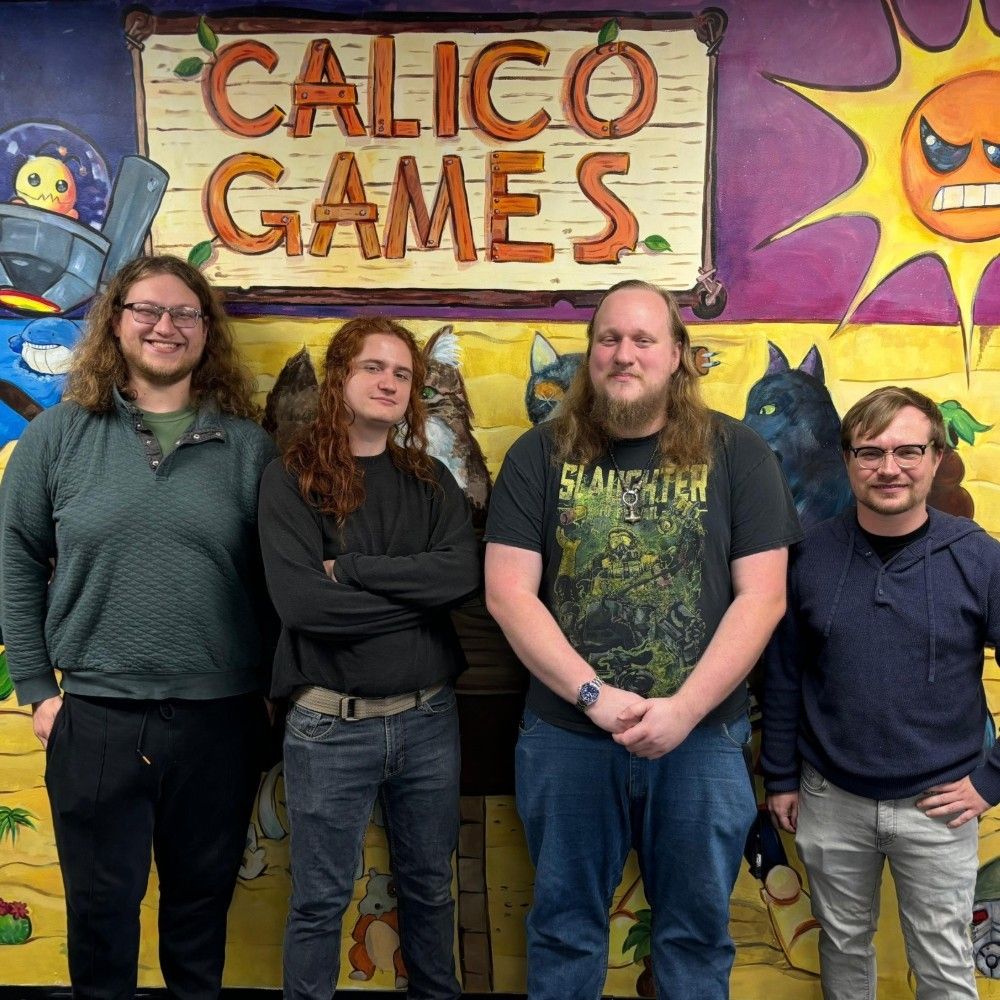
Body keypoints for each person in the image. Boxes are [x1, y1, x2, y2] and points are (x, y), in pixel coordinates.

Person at [483, 279, 801, 999]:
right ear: (591, 353)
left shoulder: (740, 453)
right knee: (564, 931)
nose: (623, 355)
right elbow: (508, 592)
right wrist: (593, 696)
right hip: (567, 735)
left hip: (701, 739)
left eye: (643, 340)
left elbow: (764, 596)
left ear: (679, 356)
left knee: (693, 937)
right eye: (608, 339)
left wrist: (684, 710)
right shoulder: (539, 455)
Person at [0, 255, 276, 999]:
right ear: (115, 324)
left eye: (185, 313)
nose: (165, 326)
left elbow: (278, 582)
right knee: (99, 920)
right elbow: (17, 560)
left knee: (199, 918)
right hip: (95, 719)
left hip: (220, 720)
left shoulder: (247, 449)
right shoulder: (57, 438)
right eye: (146, 310)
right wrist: (36, 688)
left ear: (206, 333)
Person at [257, 316, 479, 1000]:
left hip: (428, 721)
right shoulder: (290, 480)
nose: (389, 382)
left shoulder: (434, 481)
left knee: (431, 892)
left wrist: (349, 568)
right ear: (339, 379)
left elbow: (461, 578)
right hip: (329, 727)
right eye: (373, 368)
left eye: (402, 374)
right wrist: (417, 600)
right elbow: (305, 609)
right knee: (321, 902)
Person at [762, 385, 1000, 999]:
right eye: (870, 452)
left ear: (936, 458)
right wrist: (781, 777)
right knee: (842, 951)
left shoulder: (978, 558)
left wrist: (991, 780)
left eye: (907, 451)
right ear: (846, 460)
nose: (888, 468)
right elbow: (785, 675)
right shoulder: (808, 556)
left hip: (940, 803)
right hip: (830, 797)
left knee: (944, 969)